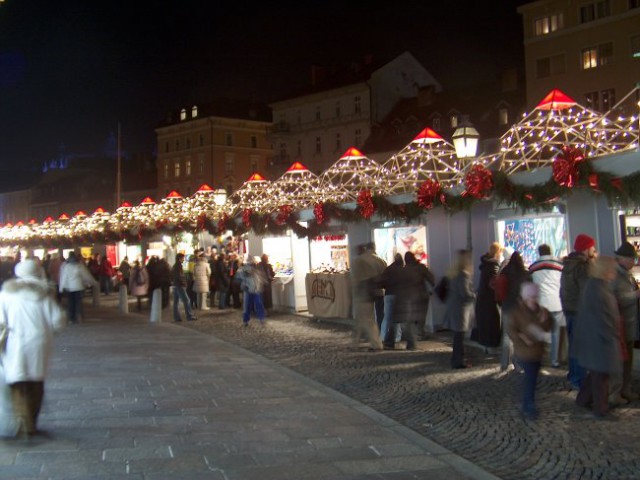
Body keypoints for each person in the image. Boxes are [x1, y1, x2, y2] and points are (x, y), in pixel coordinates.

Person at [0, 259, 65, 437]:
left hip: (16, 342)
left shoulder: (7, 293)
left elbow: (1, 321)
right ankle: (32, 422)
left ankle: (24, 423)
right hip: (40, 342)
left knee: (18, 382)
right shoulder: (44, 294)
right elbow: (57, 320)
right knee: (36, 381)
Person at [574, 256, 621, 418]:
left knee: (596, 373)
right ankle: (601, 409)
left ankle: (583, 400)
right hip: (599, 340)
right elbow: (605, 319)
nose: (614, 272)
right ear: (606, 271)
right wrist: (612, 337)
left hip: (593, 339)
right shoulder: (599, 290)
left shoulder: (593, 286)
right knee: (601, 376)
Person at [507, 282, 552, 420]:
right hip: (525, 352)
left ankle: (528, 404)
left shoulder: (542, 311)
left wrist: (546, 321)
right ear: (525, 297)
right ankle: (528, 406)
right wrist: (522, 337)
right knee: (530, 379)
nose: (534, 299)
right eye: (531, 297)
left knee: (531, 378)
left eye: (535, 296)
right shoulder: (517, 312)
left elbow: (549, 326)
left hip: (537, 351)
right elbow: (511, 330)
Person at [561, 233, 597, 390]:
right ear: (586, 248)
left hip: (568, 309)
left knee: (573, 346)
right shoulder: (583, 266)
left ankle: (573, 375)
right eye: (592, 247)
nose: (594, 250)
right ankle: (579, 379)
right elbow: (587, 291)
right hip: (580, 311)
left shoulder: (568, 264)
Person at [609, 241, 640, 405]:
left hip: (628, 324)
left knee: (627, 360)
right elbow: (618, 298)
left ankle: (625, 389)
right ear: (622, 259)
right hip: (620, 326)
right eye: (631, 259)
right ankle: (616, 392)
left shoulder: (625, 274)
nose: (633, 262)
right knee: (620, 361)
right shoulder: (615, 275)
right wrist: (636, 294)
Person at [529, 244, 564, 368]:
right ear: (550, 251)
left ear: (539, 253)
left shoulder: (533, 267)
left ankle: (537, 358)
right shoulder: (560, 266)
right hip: (556, 303)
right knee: (556, 333)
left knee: (539, 332)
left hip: (541, 304)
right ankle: (554, 360)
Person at [394, 251, 435, 350]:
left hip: (407, 297)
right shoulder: (421, 267)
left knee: (409, 319)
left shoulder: (403, 270)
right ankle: (419, 334)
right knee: (421, 317)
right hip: (421, 295)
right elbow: (432, 279)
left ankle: (413, 339)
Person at [443, 250, 476, 368]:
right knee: (459, 337)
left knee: (457, 337)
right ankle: (458, 362)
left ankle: (457, 360)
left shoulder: (453, 273)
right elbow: (465, 293)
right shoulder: (463, 275)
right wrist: (475, 295)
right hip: (461, 311)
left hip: (454, 309)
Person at [498, 251, 530, 373]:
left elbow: (500, 290)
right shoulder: (525, 274)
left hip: (506, 307)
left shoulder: (504, 272)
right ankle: (518, 364)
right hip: (520, 309)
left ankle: (504, 364)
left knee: (506, 337)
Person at [349, 243, 385, 351]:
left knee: (367, 319)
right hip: (373, 292)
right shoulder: (377, 260)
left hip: (363, 294)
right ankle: (355, 341)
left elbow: (355, 280)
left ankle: (376, 343)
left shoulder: (358, 261)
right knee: (362, 319)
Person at [474, 242, 503, 350]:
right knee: (492, 323)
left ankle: (486, 346)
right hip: (490, 301)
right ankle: (491, 346)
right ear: (497, 253)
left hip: (483, 299)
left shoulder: (486, 265)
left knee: (485, 324)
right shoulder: (493, 266)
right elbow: (493, 285)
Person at [58, 251, 97, 324]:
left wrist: (61, 288)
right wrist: (92, 282)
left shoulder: (66, 266)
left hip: (69, 288)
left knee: (71, 303)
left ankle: (71, 318)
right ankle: (79, 317)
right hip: (78, 287)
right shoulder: (79, 265)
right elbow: (85, 275)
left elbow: (63, 278)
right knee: (78, 303)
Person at [379, 253, 404, 349]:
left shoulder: (388, 269)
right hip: (399, 295)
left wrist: (387, 287)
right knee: (397, 318)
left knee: (387, 317)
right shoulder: (402, 270)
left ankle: (383, 336)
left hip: (389, 294)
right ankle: (397, 337)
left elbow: (382, 282)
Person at [236, 256, 267, 326]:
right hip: (252, 289)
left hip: (254, 289)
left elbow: (260, 277)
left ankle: (250, 320)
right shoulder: (246, 269)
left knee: (251, 305)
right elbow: (239, 277)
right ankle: (257, 319)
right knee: (252, 305)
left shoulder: (254, 268)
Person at [171, 253, 197, 322]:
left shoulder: (175, 266)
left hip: (176, 285)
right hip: (179, 285)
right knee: (187, 300)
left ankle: (177, 317)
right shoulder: (178, 266)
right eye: (182, 258)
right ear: (179, 258)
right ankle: (189, 315)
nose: (183, 259)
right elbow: (179, 276)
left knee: (176, 302)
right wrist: (184, 283)